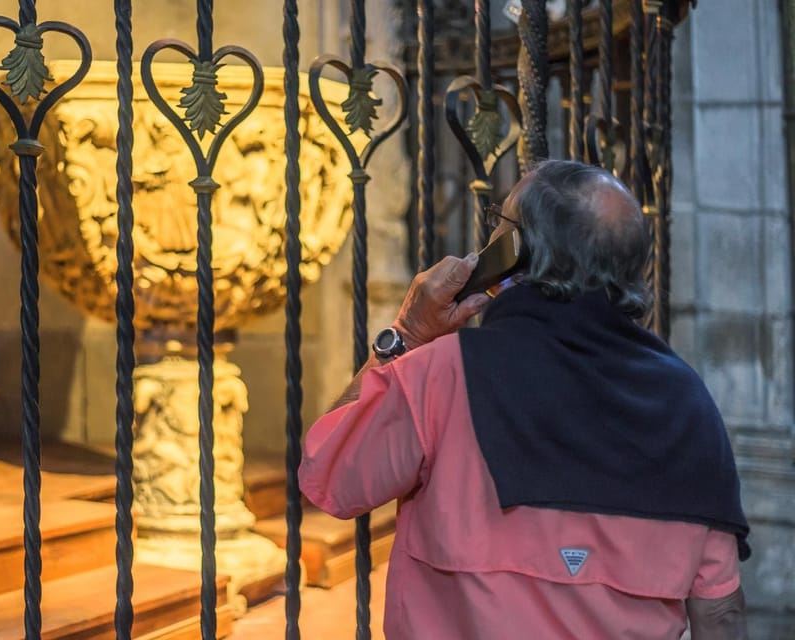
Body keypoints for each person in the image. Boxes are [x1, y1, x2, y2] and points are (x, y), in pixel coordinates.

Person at [299, 160, 750, 639]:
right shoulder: (687, 402)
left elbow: (328, 473)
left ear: (516, 252)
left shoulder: (445, 373)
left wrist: (408, 332)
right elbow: (719, 615)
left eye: (501, 225)